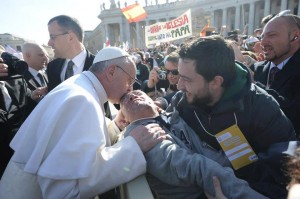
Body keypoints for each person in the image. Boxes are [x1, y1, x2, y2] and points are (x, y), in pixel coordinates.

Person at [0, 47, 166, 199]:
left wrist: (114, 126)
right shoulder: (82, 100)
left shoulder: (80, 86)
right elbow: (64, 191)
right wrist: (132, 146)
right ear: (112, 71)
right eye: (130, 80)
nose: (130, 89)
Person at [166, 35, 296, 198]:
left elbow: (287, 175)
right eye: (179, 76)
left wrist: (232, 192)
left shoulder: (263, 110)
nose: (179, 86)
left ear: (215, 82)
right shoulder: (183, 101)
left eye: (186, 79)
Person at [120, 90, 267, 199]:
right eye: (125, 101)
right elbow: (191, 167)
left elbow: (183, 92)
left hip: (232, 174)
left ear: (154, 103)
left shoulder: (172, 115)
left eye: (137, 93)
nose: (132, 96)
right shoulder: (139, 135)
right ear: (125, 121)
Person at [47, 15, 113, 119]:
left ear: (70, 37)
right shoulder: (52, 67)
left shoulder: (102, 64)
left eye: (52, 37)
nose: (49, 43)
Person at [252, 11, 300, 137]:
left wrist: (252, 85)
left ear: (295, 36)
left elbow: (294, 115)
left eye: (271, 35)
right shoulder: (255, 70)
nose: (262, 43)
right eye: (262, 37)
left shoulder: (251, 78)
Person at [22, 42, 49, 117]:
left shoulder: (47, 74)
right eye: (41, 55)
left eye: (46, 55)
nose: (45, 58)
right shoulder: (18, 79)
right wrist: (32, 98)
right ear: (28, 55)